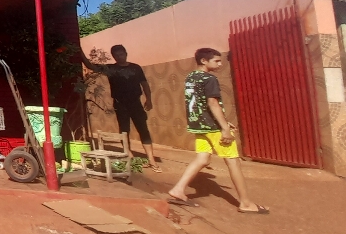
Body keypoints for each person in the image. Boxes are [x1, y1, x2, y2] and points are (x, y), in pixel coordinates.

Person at [167, 48, 269, 214]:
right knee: (233, 161)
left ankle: (178, 189)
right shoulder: (210, 79)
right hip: (212, 128)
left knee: (202, 159)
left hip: (198, 125)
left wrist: (224, 122)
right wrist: (225, 128)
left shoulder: (191, 77)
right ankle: (245, 203)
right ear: (204, 61)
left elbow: (200, 104)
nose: (220, 64)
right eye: (216, 61)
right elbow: (212, 103)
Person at [80, 44, 161, 172]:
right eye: (116, 55)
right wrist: (80, 52)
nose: (119, 57)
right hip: (120, 104)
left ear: (126, 54)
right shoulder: (110, 69)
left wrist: (149, 99)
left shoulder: (135, 68)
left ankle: (151, 160)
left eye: (121, 54)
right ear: (113, 56)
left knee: (143, 130)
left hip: (135, 103)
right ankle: (129, 156)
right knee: (124, 130)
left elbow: (144, 84)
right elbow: (91, 66)